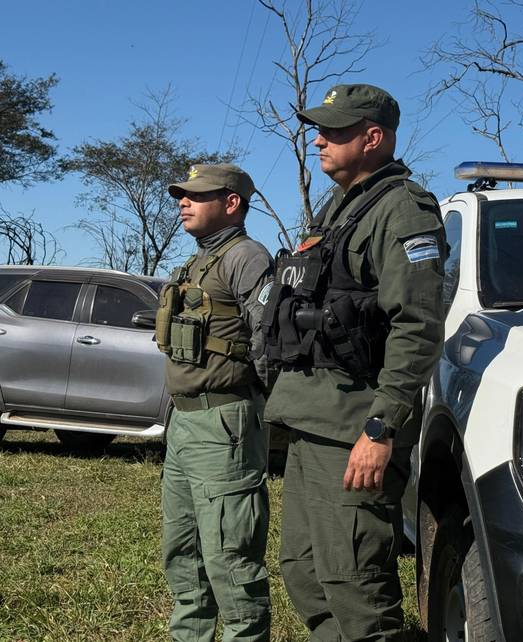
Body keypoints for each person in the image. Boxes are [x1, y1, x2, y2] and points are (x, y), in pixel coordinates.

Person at [263, 83, 446, 640]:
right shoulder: (340, 207)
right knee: (306, 573)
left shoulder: (403, 208)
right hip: (311, 416)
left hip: (353, 425)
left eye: (334, 130)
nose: (319, 140)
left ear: (373, 138)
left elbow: (416, 325)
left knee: (355, 583)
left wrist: (381, 426)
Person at [158, 163, 274, 642]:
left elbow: (270, 338)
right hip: (185, 423)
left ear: (232, 203)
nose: (184, 202)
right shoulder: (195, 262)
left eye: (196, 195)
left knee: (230, 557)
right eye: (182, 195)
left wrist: (263, 407)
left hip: (223, 422)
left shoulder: (246, 257)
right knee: (182, 552)